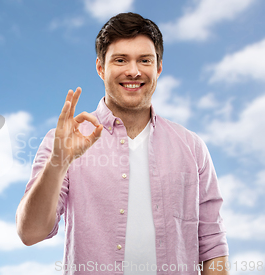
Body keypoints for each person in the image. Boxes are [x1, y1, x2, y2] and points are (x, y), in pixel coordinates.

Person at [15, 12, 229, 275]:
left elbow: (213, 247)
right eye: (120, 60)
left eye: (145, 60)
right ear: (100, 68)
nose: (133, 71)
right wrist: (58, 163)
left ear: (158, 68)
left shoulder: (192, 147)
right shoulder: (63, 142)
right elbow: (30, 233)